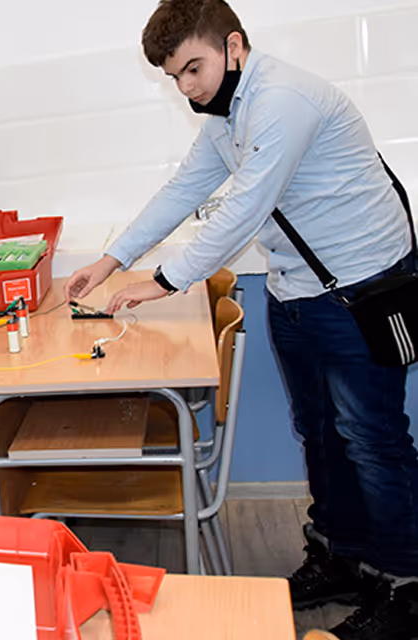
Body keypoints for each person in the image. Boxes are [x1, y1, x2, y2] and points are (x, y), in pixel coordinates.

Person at [64, 1, 418, 636]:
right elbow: (183, 192)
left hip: (361, 289)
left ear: (233, 45)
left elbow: (245, 209)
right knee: (319, 433)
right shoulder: (227, 117)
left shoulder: (284, 98)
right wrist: (113, 259)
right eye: (175, 77)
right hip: (298, 292)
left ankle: (408, 586)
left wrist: (163, 279)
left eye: (193, 68)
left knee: (373, 442)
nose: (187, 87)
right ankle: (344, 558)